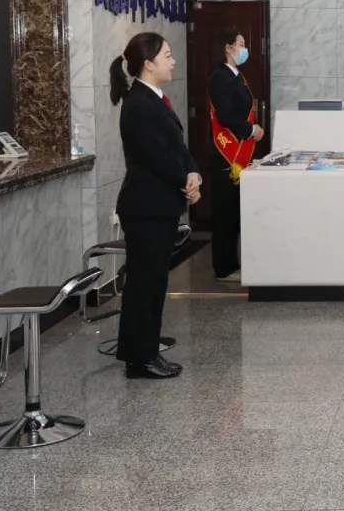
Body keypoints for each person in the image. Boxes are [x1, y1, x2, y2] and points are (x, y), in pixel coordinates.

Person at [109, 33, 200, 379]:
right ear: (148, 64)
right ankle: (140, 359)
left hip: (159, 205)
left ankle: (145, 349)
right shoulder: (138, 104)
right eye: (167, 55)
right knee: (144, 285)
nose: (173, 61)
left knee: (154, 282)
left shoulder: (154, 98)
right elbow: (157, 156)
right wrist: (185, 183)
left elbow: (177, 147)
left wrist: (193, 174)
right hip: (145, 207)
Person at [207, 29, 264, 284]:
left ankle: (233, 262)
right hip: (225, 156)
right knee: (225, 212)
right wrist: (250, 130)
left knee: (234, 211)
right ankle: (224, 267)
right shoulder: (220, 77)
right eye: (241, 44)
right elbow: (225, 115)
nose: (244, 49)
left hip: (238, 155)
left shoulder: (236, 75)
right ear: (228, 48)